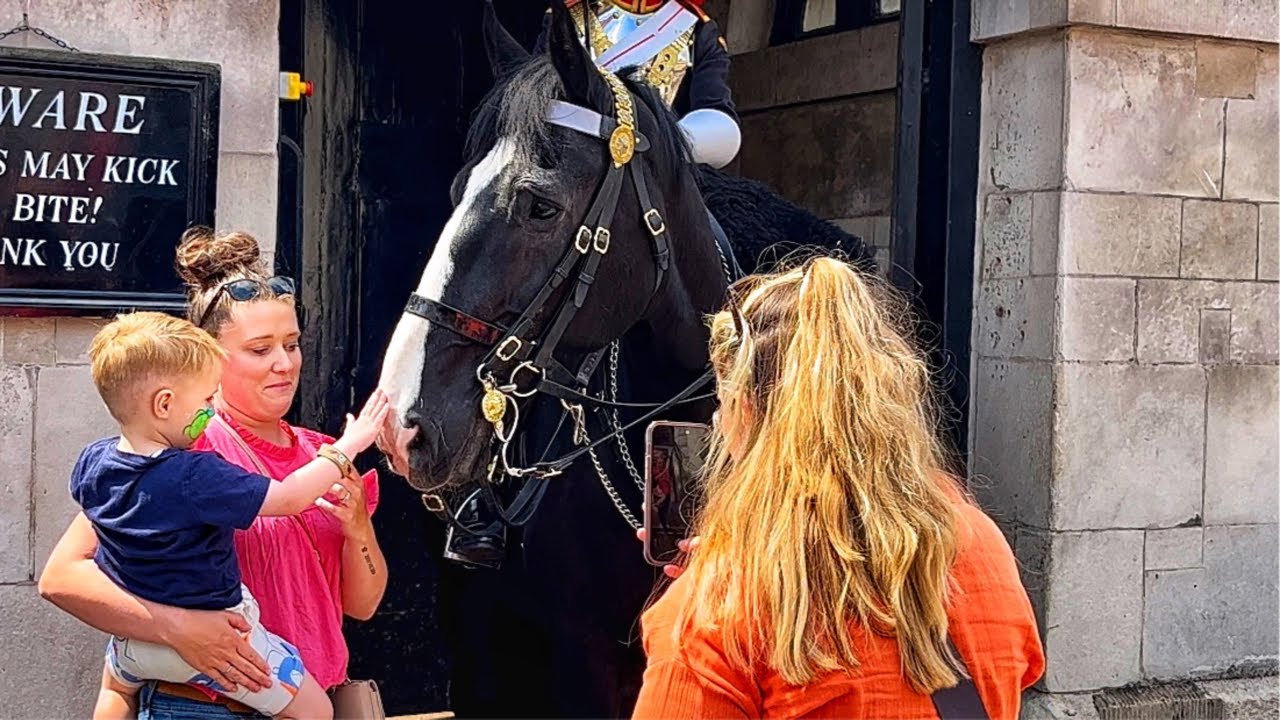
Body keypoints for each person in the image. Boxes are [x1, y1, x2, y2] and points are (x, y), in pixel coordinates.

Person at [632, 257, 1045, 719]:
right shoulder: (983, 544)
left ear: (746, 411)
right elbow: (1016, 670)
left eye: (722, 401)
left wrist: (719, 573)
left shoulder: (709, 612)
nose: (715, 420)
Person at [40, 227, 392, 719]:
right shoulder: (181, 453)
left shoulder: (322, 453)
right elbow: (62, 577)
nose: (283, 364)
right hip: (203, 706)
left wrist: (357, 526)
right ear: (210, 357)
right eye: (259, 348)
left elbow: (362, 605)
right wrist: (177, 628)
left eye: (291, 344)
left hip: (311, 696)